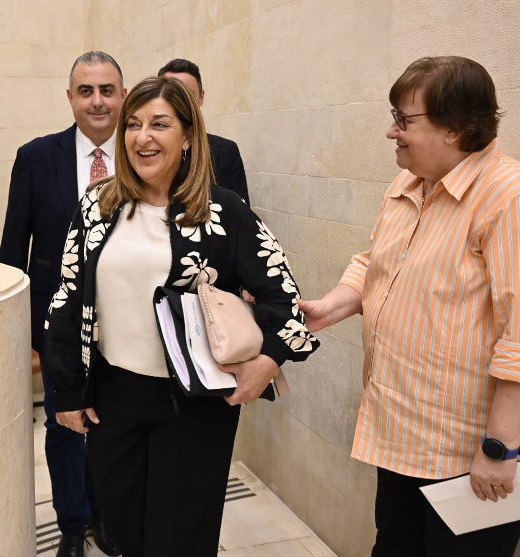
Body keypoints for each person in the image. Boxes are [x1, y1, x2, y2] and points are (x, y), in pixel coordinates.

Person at [42, 76, 318, 557]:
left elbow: (284, 296)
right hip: (113, 399)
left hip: (194, 407)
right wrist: (66, 390)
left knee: (181, 538)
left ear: (189, 136)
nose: (142, 137)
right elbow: (67, 296)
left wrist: (269, 361)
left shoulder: (222, 212)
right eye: (133, 124)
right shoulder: (97, 206)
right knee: (122, 529)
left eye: (159, 124)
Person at [298, 56, 520, 557]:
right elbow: (375, 262)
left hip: (468, 455)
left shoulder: (515, 198)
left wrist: (499, 450)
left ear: (456, 129)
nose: (391, 132)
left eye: (403, 119)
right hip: (400, 434)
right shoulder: (409, 183)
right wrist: (333, 307)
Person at [0, 51, 126, 557]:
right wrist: (22, 334)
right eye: (86, 90)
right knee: (65, 428)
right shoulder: (36, 158)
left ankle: (107, 518)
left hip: (126, 325)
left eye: (107, 90)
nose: (97, 101)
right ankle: (73, 525)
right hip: (59, 327)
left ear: (122, 95)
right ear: (70, 97)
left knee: (114, 428)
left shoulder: (144, 153)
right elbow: (14, 250)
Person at [158, 58, 249, 203]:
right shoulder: (146, 151)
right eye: (172, 95)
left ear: (201, 97)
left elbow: (242, 217)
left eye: (188, 94)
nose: (180, 103)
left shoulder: (226, 152)